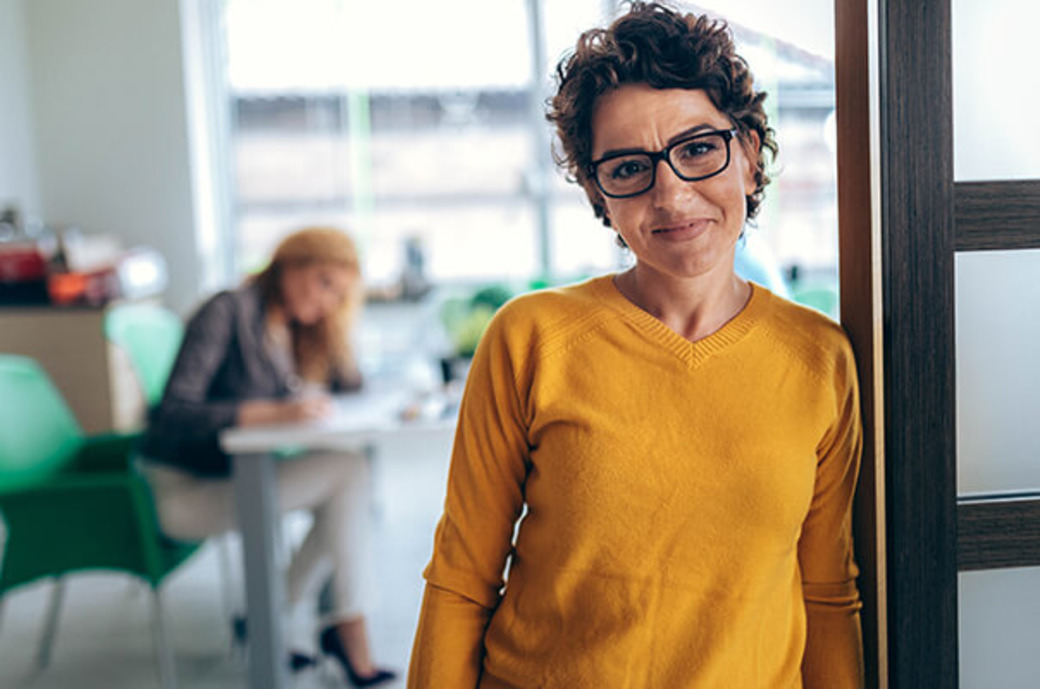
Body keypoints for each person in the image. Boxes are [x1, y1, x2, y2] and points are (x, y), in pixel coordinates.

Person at [408, 4, 863, 688]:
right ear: (598, 191)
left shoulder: (819, 358)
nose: (672, 197)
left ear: (746, 152)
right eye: (628, 168)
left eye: (698, 148)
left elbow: (827, 595)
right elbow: (460, 583)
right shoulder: (530, 339)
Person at [141, 227, 395, 687]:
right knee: (347, 472)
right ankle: (340, 626)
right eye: (323, 283)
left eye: (337, 294)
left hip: (236, 479)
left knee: (345, 481)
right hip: (185, 491)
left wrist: (336, 328)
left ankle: (269, 618)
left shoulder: (286, 327)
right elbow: (173, 414)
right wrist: (274, 412)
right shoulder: (227, 310)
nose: (326, 301)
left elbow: (349, 386)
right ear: (290, 265)